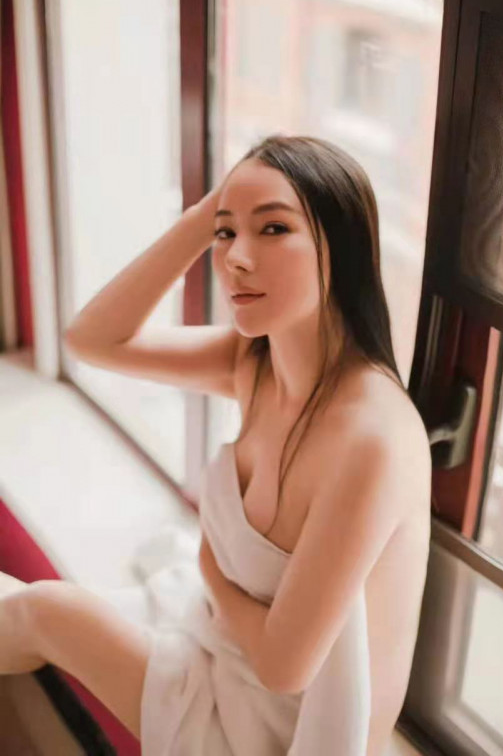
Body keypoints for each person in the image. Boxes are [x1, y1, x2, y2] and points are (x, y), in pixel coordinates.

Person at [0, 134, 431, 755]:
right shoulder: (252, 363)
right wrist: (205, 218)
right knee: (23, 604)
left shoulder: (372, 438)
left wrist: (210, 571)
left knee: (46, 610)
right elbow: (92, 339)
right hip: (221, 642)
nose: (235, 259)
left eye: (274, 228)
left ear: (341, 247)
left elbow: (285, 669)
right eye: (227, 235)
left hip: (283, 730)